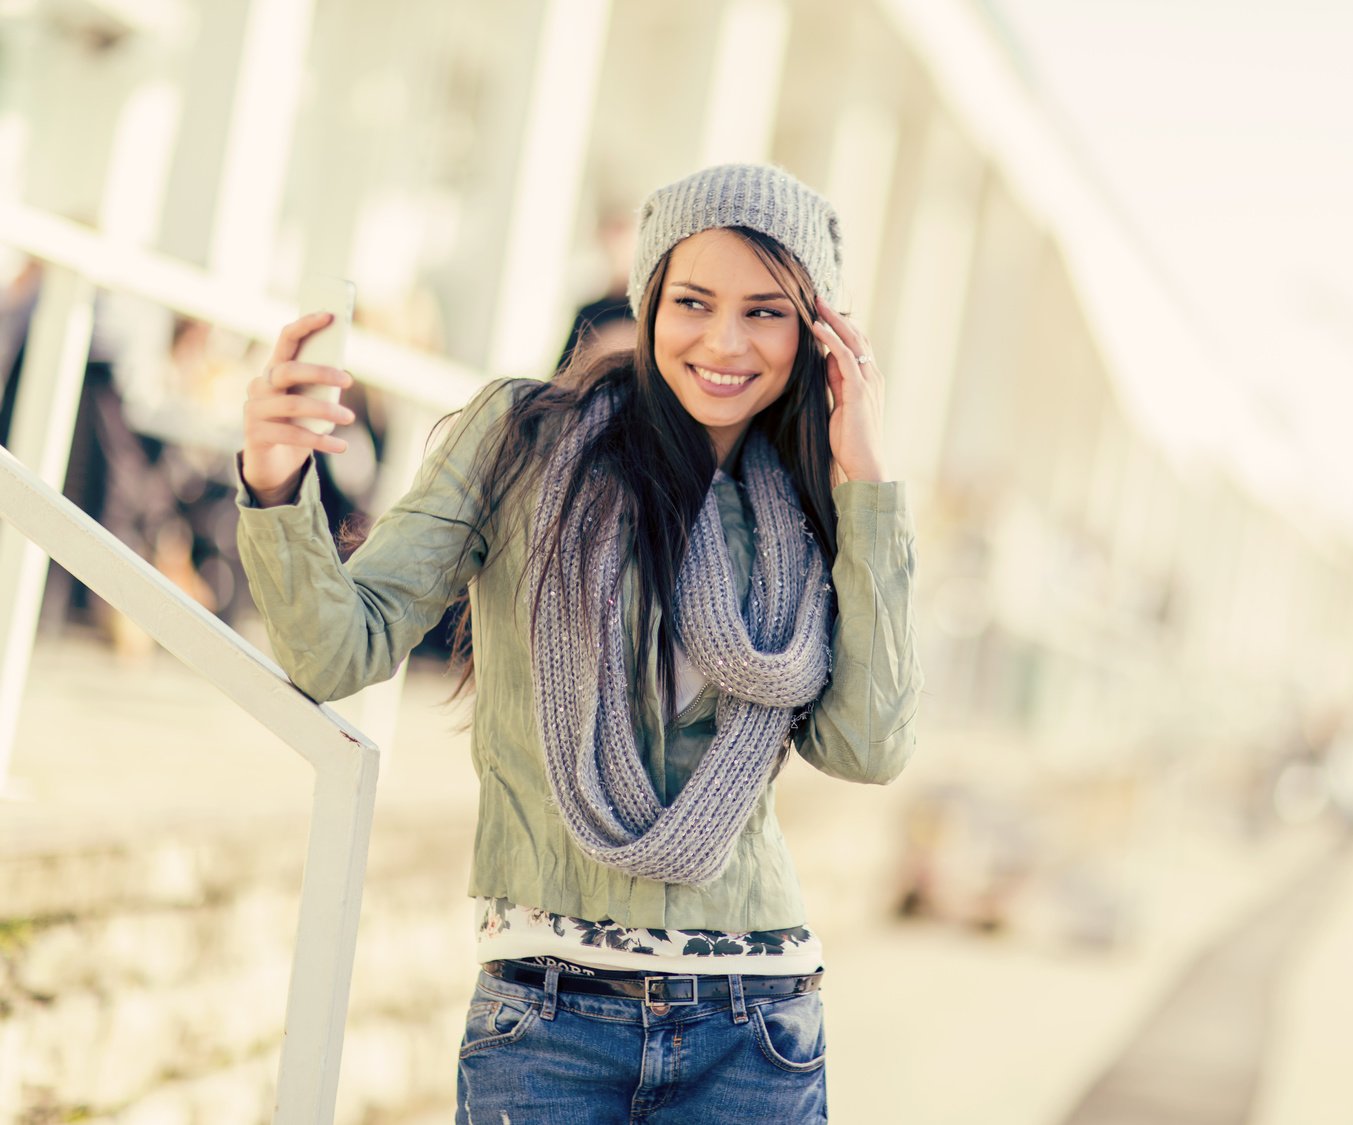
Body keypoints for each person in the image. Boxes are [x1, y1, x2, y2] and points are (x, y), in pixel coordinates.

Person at [235, 164, 921, 1123]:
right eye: (693, 301)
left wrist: (869, 486)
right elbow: (340, 648)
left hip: (756, 1026)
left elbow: (867, 746)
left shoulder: (815, 504)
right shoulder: (522, 438)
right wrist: (275, 484)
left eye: (766, 312)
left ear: (816, 335)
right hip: (549, 1023)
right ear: (647, 302)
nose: (725, 341)